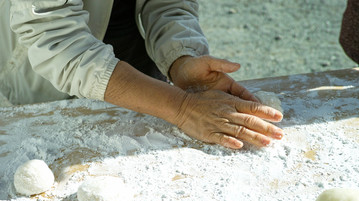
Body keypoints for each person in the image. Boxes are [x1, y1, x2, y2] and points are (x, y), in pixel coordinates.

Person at [1, 0, 283, 149]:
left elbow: (168, 3)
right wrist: (181, 107)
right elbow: (57, 38)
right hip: (43, 78)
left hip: (137, 66)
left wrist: (180, 58)